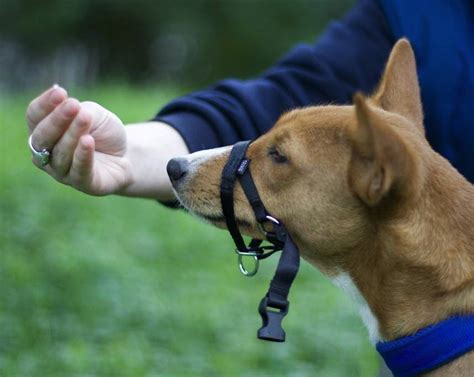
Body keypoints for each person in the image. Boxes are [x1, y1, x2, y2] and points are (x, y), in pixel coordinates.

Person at [25, 0, 473, 374]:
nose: (202, 167)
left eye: (278, 157)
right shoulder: (421, 10)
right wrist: (130, 153)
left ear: (380, 174)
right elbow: (281, 91)